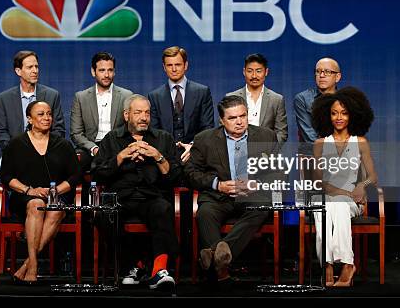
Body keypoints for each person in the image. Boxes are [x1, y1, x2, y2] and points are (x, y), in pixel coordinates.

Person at [91, 94, 182, 290]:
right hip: (120, 196)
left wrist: (157, 157)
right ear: (126, 115)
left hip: (151, 196)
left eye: (147, 113)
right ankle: (132, 266)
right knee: (105, 214)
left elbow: (175, 175)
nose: (144, 117)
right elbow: (97, 173)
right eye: (138, 112)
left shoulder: (163, 138)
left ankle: (159, 271)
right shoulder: (112, 139)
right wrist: (121, 156)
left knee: (163, 209)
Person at [186, 95, 278, 284]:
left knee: (261, 206)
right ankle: (222, 268)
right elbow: (189, 172)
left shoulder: (266, 136)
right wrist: (217, 184)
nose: (239, 122)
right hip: (217, 196)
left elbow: (278, 172)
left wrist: (255, 184)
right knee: (204, 213)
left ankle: (217, 259)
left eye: (242, 116)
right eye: (232, 118)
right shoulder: (204, 139)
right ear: (221, 120)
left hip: (251, 196)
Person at [0, 101, 81, 284]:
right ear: (29, 119)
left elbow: (76, 175)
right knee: (36, 205)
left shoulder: (63, 144)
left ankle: (28, 265)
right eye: (41, 114)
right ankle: (34, 266)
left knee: (55, 209)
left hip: (55, 197)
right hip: (24, 197)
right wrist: (30, 190)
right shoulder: (16, 144)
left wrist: (56, 190)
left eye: (49, 114)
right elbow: (6, 176)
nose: (47, 118)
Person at [310, 86, 377, 287]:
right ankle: (330, 265)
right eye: (334, 113)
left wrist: (361, 186)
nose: (339, 117)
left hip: (350, 202)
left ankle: (345, 264)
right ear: (327, 116)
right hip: (325, 196)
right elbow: (319, 182)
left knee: (337, 205)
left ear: (353, 115)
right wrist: (346, 191)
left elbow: (372, 176)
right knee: (324, 207)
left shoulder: (360, 142)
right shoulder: (320, 143)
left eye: (344, 113)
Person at [0, 51, 66, 171]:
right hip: (14, 151)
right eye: (29, 67)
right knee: (5, 166)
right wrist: (16, 150)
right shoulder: (4, 98)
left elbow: (59, 130)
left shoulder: (52, 95)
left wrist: (43, 148)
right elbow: (0, 132)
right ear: (18, 71)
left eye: (36, 66)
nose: (35, 71)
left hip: (45, 150)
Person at [148, 46, 214, 164]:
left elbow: (207, 127)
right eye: (169, 65)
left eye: (178, 64)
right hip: (165, 158)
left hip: (196, 155)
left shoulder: (202, 92)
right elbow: (154, 131)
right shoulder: (154, 96)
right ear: (164, 67)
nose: (174, 69)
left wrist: (192, 147)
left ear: (186, 65)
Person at [70, 52, 133, 172]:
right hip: (91, 147)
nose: (107, 75)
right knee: (77, 160)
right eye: (102, 70)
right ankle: (86, 191)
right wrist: (93, 148)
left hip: (118, 146)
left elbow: (131, 128)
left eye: (110, 70)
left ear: (114, 72)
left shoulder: (126, 95)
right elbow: (76, 133)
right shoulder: (81, 97)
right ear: (93, 72)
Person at [226, 53, 288, 143]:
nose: (254, 76)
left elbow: (282, 133)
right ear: (244, 72)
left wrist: (267, 151)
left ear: (266, 72)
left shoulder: (276, 99)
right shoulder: (231, 97)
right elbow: (224, 130)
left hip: (266, 154)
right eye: (250, 71)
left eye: (258, 71)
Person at [294, 57, 342, 149]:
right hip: (312, 155)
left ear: (337, 77)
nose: (322, 75)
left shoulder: (346, 100)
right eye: (318, 71)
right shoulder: (303, 99)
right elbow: (309, 135)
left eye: (327, 72)